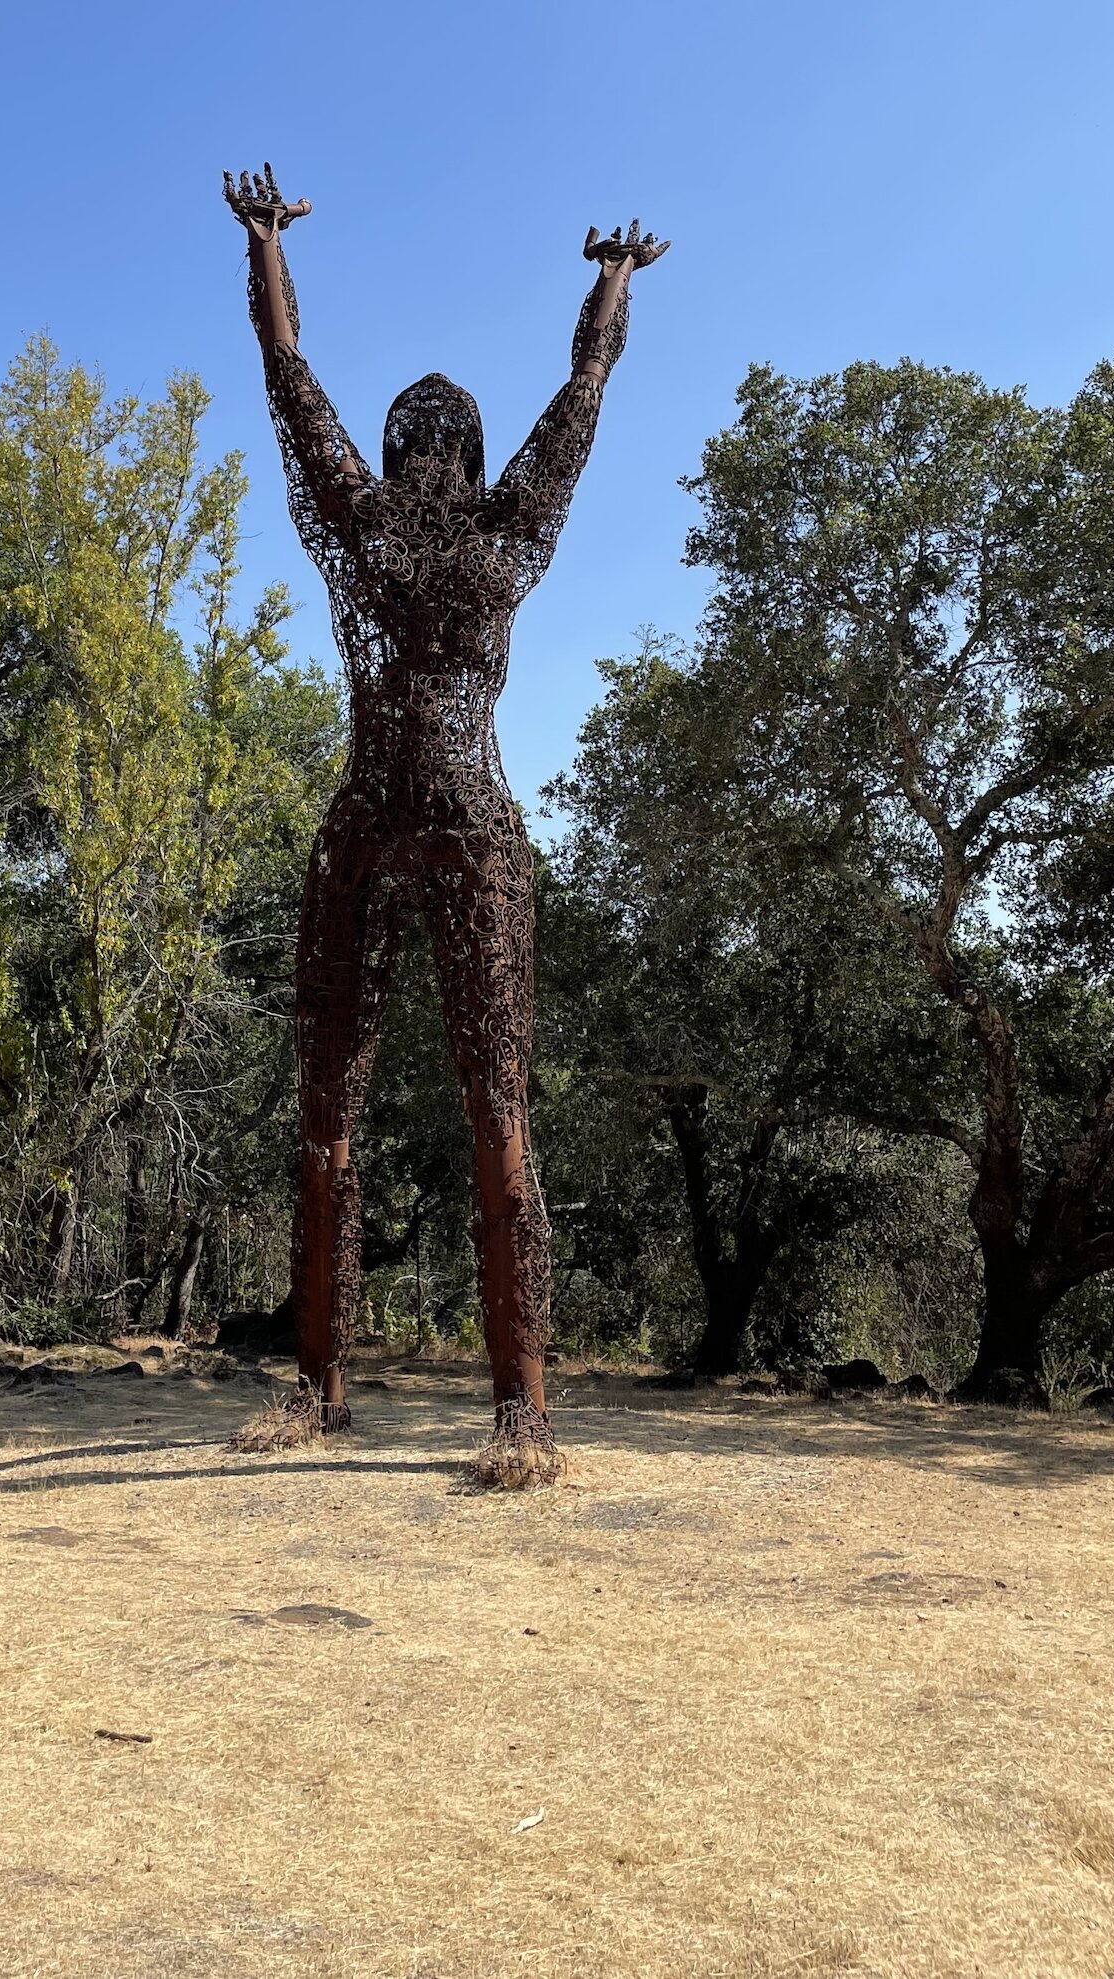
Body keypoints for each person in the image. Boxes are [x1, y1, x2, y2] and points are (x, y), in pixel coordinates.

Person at [224, 164, 668, 1484]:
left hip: (376, 816)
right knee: (489, 1110)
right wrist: (612, 280)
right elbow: (584, 392)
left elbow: (287, 373)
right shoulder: (500, 531)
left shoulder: (366, 528)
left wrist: (267, 247)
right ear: (472, 456)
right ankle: (509, 1411)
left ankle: (340, 1391)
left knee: (344, 1109)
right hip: (461, 820)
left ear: (401, 449)